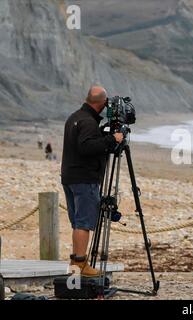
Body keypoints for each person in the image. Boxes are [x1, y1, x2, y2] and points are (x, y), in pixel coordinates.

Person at [61, 86, 124, 277]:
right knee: (84, 223)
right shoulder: (88, 122)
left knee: (77, 222)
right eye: (106, 104)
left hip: (70, 177)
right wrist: (112, 139)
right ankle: (80, 264)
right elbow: (86, 147)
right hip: (84, 179)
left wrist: (104, 138)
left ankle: (75, 262)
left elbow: (85, 143)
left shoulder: (75, 117)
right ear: (101, 103)